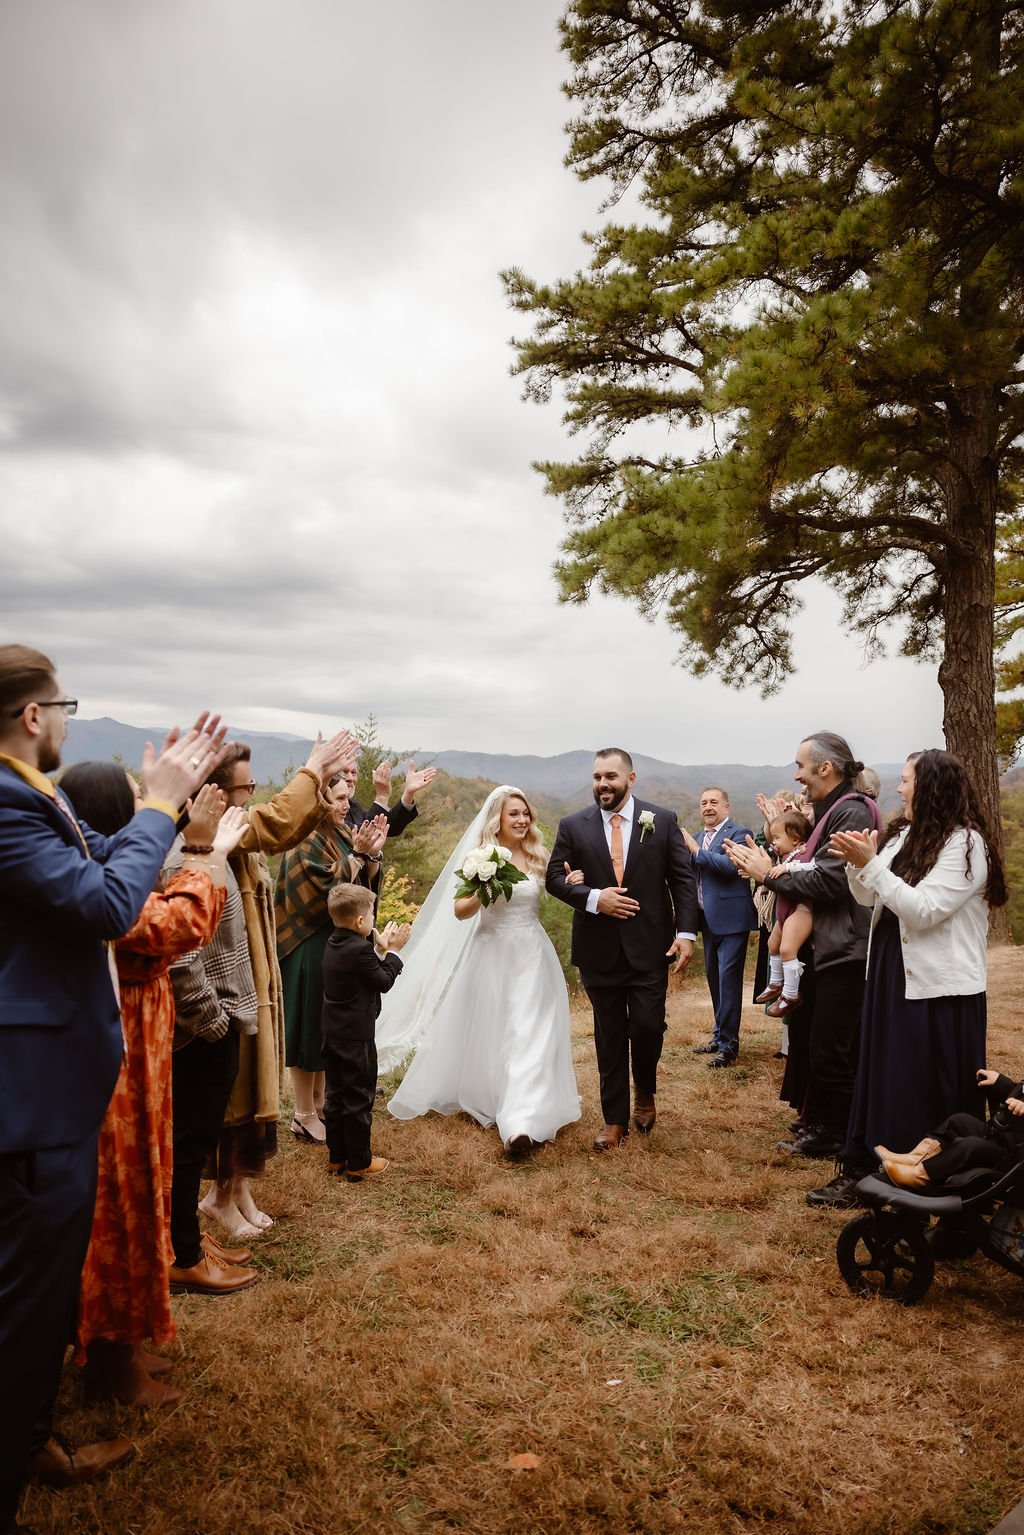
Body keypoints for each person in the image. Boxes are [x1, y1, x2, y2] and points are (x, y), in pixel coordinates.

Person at [0, 643, 226, 1532]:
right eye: (64, 705)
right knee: (23, 1311)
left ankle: (32, 1441)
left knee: (39, 1299)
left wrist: (154, 805)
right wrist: (166, 804)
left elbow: (94, 872)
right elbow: (104, 904)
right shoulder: (9, 804)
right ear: (32, 715)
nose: (66, 719)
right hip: (32, 1099)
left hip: (52, 1089)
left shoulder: (33, 796)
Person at [58, 766, 251, 1401]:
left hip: (141, 1065)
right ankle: (112, 1364)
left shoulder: (104, 875)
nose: (152, 813)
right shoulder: (104, 892)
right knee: (122, 1203)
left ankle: (127, 1343)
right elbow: (179, 925)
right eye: (140, 805)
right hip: (116, 1071)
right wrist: (202, 852)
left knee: (145, 1190)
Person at [193, 731, 356, 1238]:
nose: (252, 796)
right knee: (233, 1089)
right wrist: (312, 768)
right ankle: (218, 1195)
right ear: (218, 794)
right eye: (248, 787)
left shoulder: (231, 829)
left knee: (249, 1084)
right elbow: (278, 822)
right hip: (223, 982)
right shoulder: (209, 830)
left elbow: (285, 826)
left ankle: (236, 1187)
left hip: (250, 977)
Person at [829, 748, 1007, 1205]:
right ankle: (878, 1166)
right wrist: (858, 863)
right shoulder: (904, 835)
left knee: (924, 1079)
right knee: (888, 1072)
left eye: (907, 780)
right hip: (892, 969)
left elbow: (924, 910)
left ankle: (939, 1178)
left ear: (930, 788)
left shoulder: (966, 845)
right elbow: (871, 898)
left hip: (938, 984)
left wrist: (870, 865)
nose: (900, 787)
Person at [724, 732, 879, 1202]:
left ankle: (861, 1165)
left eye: (801, 766)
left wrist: (767, 872)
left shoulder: (851, 811)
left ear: (826, 769)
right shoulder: (834, 811)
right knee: (818, 1049)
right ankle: (830, 1133)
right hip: (828, 948)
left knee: (834, 1055)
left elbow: (831, 882)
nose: (796, 775)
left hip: (847, 949)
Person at [387, 786, 581, 1156]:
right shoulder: (481, 856)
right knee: (501, 1032)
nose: (523, 820)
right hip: (491, 953)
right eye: (514, 815)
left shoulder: (539, 854)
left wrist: (573, 882)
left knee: (530, 1033)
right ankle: (499, 1097)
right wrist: (485, 886)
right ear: (498, 820)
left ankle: (520, 1123)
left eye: (526, 813)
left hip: (531, 955)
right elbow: (461, 911)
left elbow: (555, 888)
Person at [546, 750, 697, 1151]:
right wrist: (594, 897)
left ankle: (645, 1088)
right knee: (608, 1033)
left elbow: (682, 881)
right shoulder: (572, 825)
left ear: (631, 778)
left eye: (610, 776)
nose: (602, 784)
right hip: (598, 949)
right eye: (596, 777)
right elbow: (553, 880)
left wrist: (687, 933)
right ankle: (614, 1119)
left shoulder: (661, 820)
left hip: (651, 945)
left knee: (648, 1026)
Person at [277, 787, 388, 1145]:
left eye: (345, 798)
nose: (346, 805)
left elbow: (358, 888)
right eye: (338, 798)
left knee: (327, 1029)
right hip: (308, 943)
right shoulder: (304, 838)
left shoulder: (340, 832)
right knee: (308, 1027)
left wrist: (371, 856)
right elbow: (326, 889)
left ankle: (322, 1104)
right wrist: (357, 855)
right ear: (318, 802)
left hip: (335, 943)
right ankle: (303, 1113)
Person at [321, 884, 410, 1180]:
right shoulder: (360, 950)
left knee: (335, 1097)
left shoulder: (334, 941)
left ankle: (337, 1157)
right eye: (371, 914)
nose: (373, 918)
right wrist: (393, 952)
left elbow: (359, 965)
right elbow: (383, 980)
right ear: (361, 921)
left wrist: (376, 943)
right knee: (359, 1097)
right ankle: (359, 1161)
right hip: (356, 1037)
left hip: (332, 1034)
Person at [682, 786, 757, 1068]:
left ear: (727, 807)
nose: (708, 807)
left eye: (714, 802)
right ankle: (719, 1035)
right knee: (714, 981)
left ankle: (729, 1045)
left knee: (728, 982)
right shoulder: (699, 837)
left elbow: (730, 865)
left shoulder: (738, 833)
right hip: (707, 921)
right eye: (703, 803)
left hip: (733, 919)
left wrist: (694, 850)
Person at [878, 1067, 1024, 1189]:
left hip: (1014, 1155)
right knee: (959, 1121)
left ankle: (920, 1175)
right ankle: (915, 1158)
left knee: (970, 1146)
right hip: (1003, 1134)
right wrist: (1001, 1082)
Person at [754, 809, 815, 1018]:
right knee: (773, 944)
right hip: (785, 911)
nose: (774, 842)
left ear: (796, 839)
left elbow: (811, 867)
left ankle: (791, 994)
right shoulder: (785, 855)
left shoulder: (804, 853)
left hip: (801, 909)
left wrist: (788, 867)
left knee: (788, 948)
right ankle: (776, 983)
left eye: (778, 837)